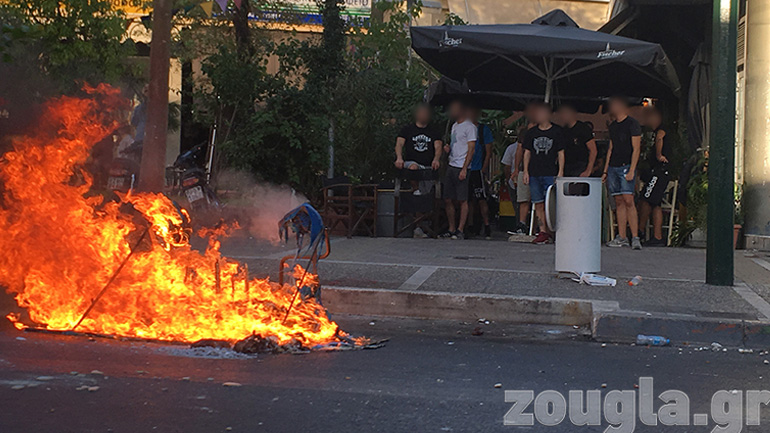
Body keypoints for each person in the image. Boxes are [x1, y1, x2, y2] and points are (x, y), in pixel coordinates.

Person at [602, 96, 643, 250]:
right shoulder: (613, 126)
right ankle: (622, 236)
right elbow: (611, 148)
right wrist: (605, 170)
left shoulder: (632, 124)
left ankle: (635, 236)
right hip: (613, 166)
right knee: (618, 201)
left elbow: (636, 148)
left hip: (626, 165)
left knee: (628, 200)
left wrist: (632, 169)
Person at [522, 102, 565, 244]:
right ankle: (542, 231)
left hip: (550, 172)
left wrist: (560, 171)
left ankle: (555, 230)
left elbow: (561, 153)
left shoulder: (557, 132)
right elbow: (527, 153)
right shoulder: (531, 133)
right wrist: (526, 171)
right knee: (538, 202)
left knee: (552, 203)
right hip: (534, 173)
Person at [440, 100, 477, 240]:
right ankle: (451, 227)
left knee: (462, 199)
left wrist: (465, 168)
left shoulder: (470, 127)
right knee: (448, 198)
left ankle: (460, 229)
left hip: (462, 165)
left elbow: (471, 148)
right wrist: (448, 150)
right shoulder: (454, 126)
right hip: (451, 163)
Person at [638, 106, 672, 247]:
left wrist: (658, 155)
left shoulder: (661, 130)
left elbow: (660, 138)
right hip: (661, 171)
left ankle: (640, 229)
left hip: (660, 171)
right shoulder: (658, 131)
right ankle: (657, 236)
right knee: (655, 202)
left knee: (646, 198)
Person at [395, 103, 443, 195]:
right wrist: (399, 158)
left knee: (427, 191)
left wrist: (436, 159)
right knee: (413, 167)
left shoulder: (434, 131)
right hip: (411, 163)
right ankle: (416, 189)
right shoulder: (407, 129)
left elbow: (438, 146)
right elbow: (399, 144)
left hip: (428, 165)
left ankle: (424, 197)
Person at [468, 107, 495, 239]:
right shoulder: (461, 128)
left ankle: (487, 224)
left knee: (481, 198)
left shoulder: (483, 130)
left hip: (477, 169)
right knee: (468, 199)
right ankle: (471, 225)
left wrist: (484, 168)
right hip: (465, 168)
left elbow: (489, 151)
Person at [557, 104, 597, 177]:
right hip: (567, 166)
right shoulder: (563, 130)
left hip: (580, 165)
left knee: (575, 187)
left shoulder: (583, 128)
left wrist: (588, 170)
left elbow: (593, 150)